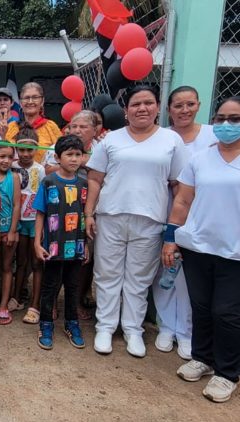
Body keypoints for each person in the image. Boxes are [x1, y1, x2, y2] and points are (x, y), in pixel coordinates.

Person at [85, 85, 190, 358]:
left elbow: (178, 186)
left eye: (148, 103)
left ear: (157, 107)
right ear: (126, 110)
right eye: (136, 104)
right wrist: (88, 213)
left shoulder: (171, 140)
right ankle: (105, 326)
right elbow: (95, 179)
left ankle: (132, 329)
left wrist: (173, 227)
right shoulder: (111, 140)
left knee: (138, 278)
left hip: (151, 218)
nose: (142, 108)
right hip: (111, 215)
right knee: (107, 274)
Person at [164, 96, 240, 403]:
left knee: (228, 313)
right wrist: (171, 237)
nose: (225, 125)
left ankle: (227, 373)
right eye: (220, 118)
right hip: (197, 245)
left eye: (234, 119)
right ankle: (203, 358)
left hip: (234, 252)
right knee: (203, 307)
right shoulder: (200, 159)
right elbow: (182, 201)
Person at [152, 85, 217, 360]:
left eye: (189, 104)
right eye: (178, 106)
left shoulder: (213, 136)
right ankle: (166, 327)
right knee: (165, 271)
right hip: (166, 209)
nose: (184, 110)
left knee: (190, 277)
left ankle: (187, 332)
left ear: (199, 105)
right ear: (168, 110)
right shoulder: (162, 138)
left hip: (201, 214)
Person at [33, 135, 89, 350]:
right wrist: (37, 243)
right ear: (57, 157)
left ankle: (71, 323)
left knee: (73, 287)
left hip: (76, 246)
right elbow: (40, 213)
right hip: (53, 247)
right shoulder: (49, 182)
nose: (74, 159)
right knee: (50, 286)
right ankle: (46, 324)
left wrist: (87, 247)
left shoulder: (84, 184)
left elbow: (87, 215)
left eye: (78, 154)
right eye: (69, 154)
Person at [11, 125, 45, 323]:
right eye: (21, 149)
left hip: (34, 221)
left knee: (36, 262)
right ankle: (17, 297)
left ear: (37, 149)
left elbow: (41, 196)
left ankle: (35, 305)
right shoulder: (13, 166)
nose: (25, 154)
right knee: (20, 260)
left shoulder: (39, 170)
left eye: (29, 150)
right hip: (19, 221)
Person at [0, 144, 21, 325]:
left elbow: (17, 204)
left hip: (8, 228)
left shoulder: (14, 177)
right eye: (2, 156)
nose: (6, 160)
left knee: (7, 267)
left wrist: (12, 231)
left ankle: (3, 306)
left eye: (9, 157)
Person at [4, 82, 62, 165]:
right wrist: (2, 135)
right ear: (20, 102)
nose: (30, 102)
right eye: (26, 98)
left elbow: (62, 155)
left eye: (35, 97)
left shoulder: (51, 127)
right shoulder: (11, 127)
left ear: (42, 101)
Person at [45, 110, 99, 176]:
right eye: (74, 126)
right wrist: (76, 163)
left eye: (83, 127)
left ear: (94, 131)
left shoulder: (100, 148)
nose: (77, 131)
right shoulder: (58, 146)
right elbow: (48, 172)